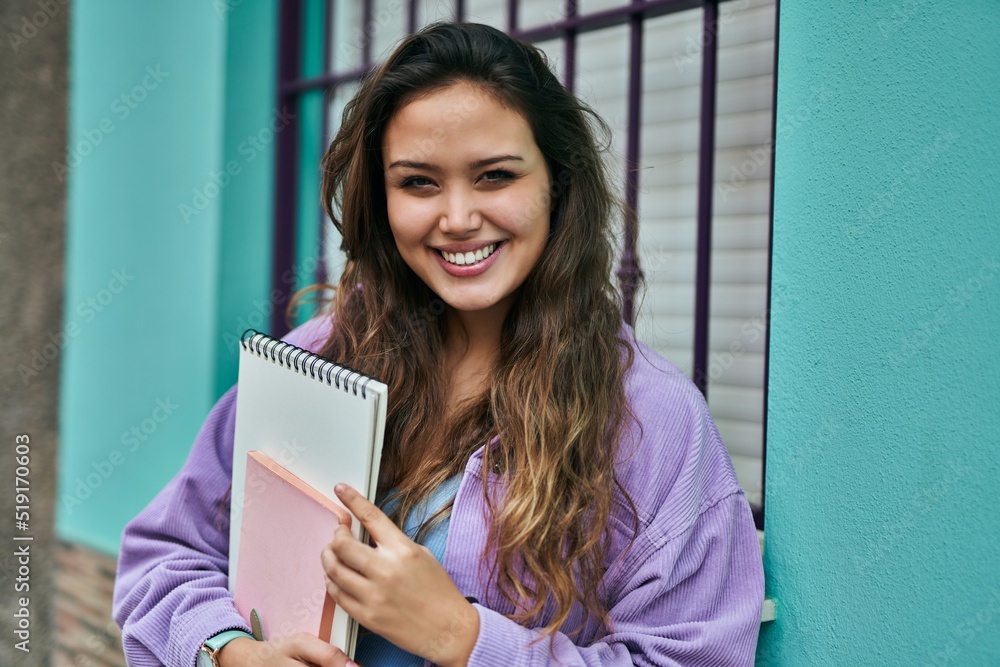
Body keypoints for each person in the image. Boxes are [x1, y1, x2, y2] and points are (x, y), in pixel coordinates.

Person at [113, 21, 764, 667]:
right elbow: (166, 555)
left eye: (495, 176)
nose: (457, 219)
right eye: (418, 182)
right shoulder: (322, 357)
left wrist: (463, 637)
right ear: (382, 199)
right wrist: (230, 652)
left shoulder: (653, 419)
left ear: (558, 183)